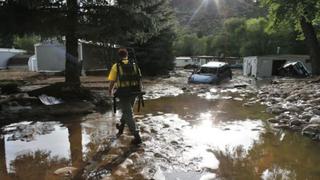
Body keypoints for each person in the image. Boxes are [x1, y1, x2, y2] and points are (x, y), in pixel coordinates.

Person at [108, 48, 142, 145]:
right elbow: (139, 79)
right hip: (134, 91)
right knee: (127, 111)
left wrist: (110, 90)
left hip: (123, 93)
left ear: (119, 56)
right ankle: (121, 127)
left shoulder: (116, 66)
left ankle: (137, 136)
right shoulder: (135, 65)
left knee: (127, 112)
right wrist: (140, 92)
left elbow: (112, 81)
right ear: (127, 55)